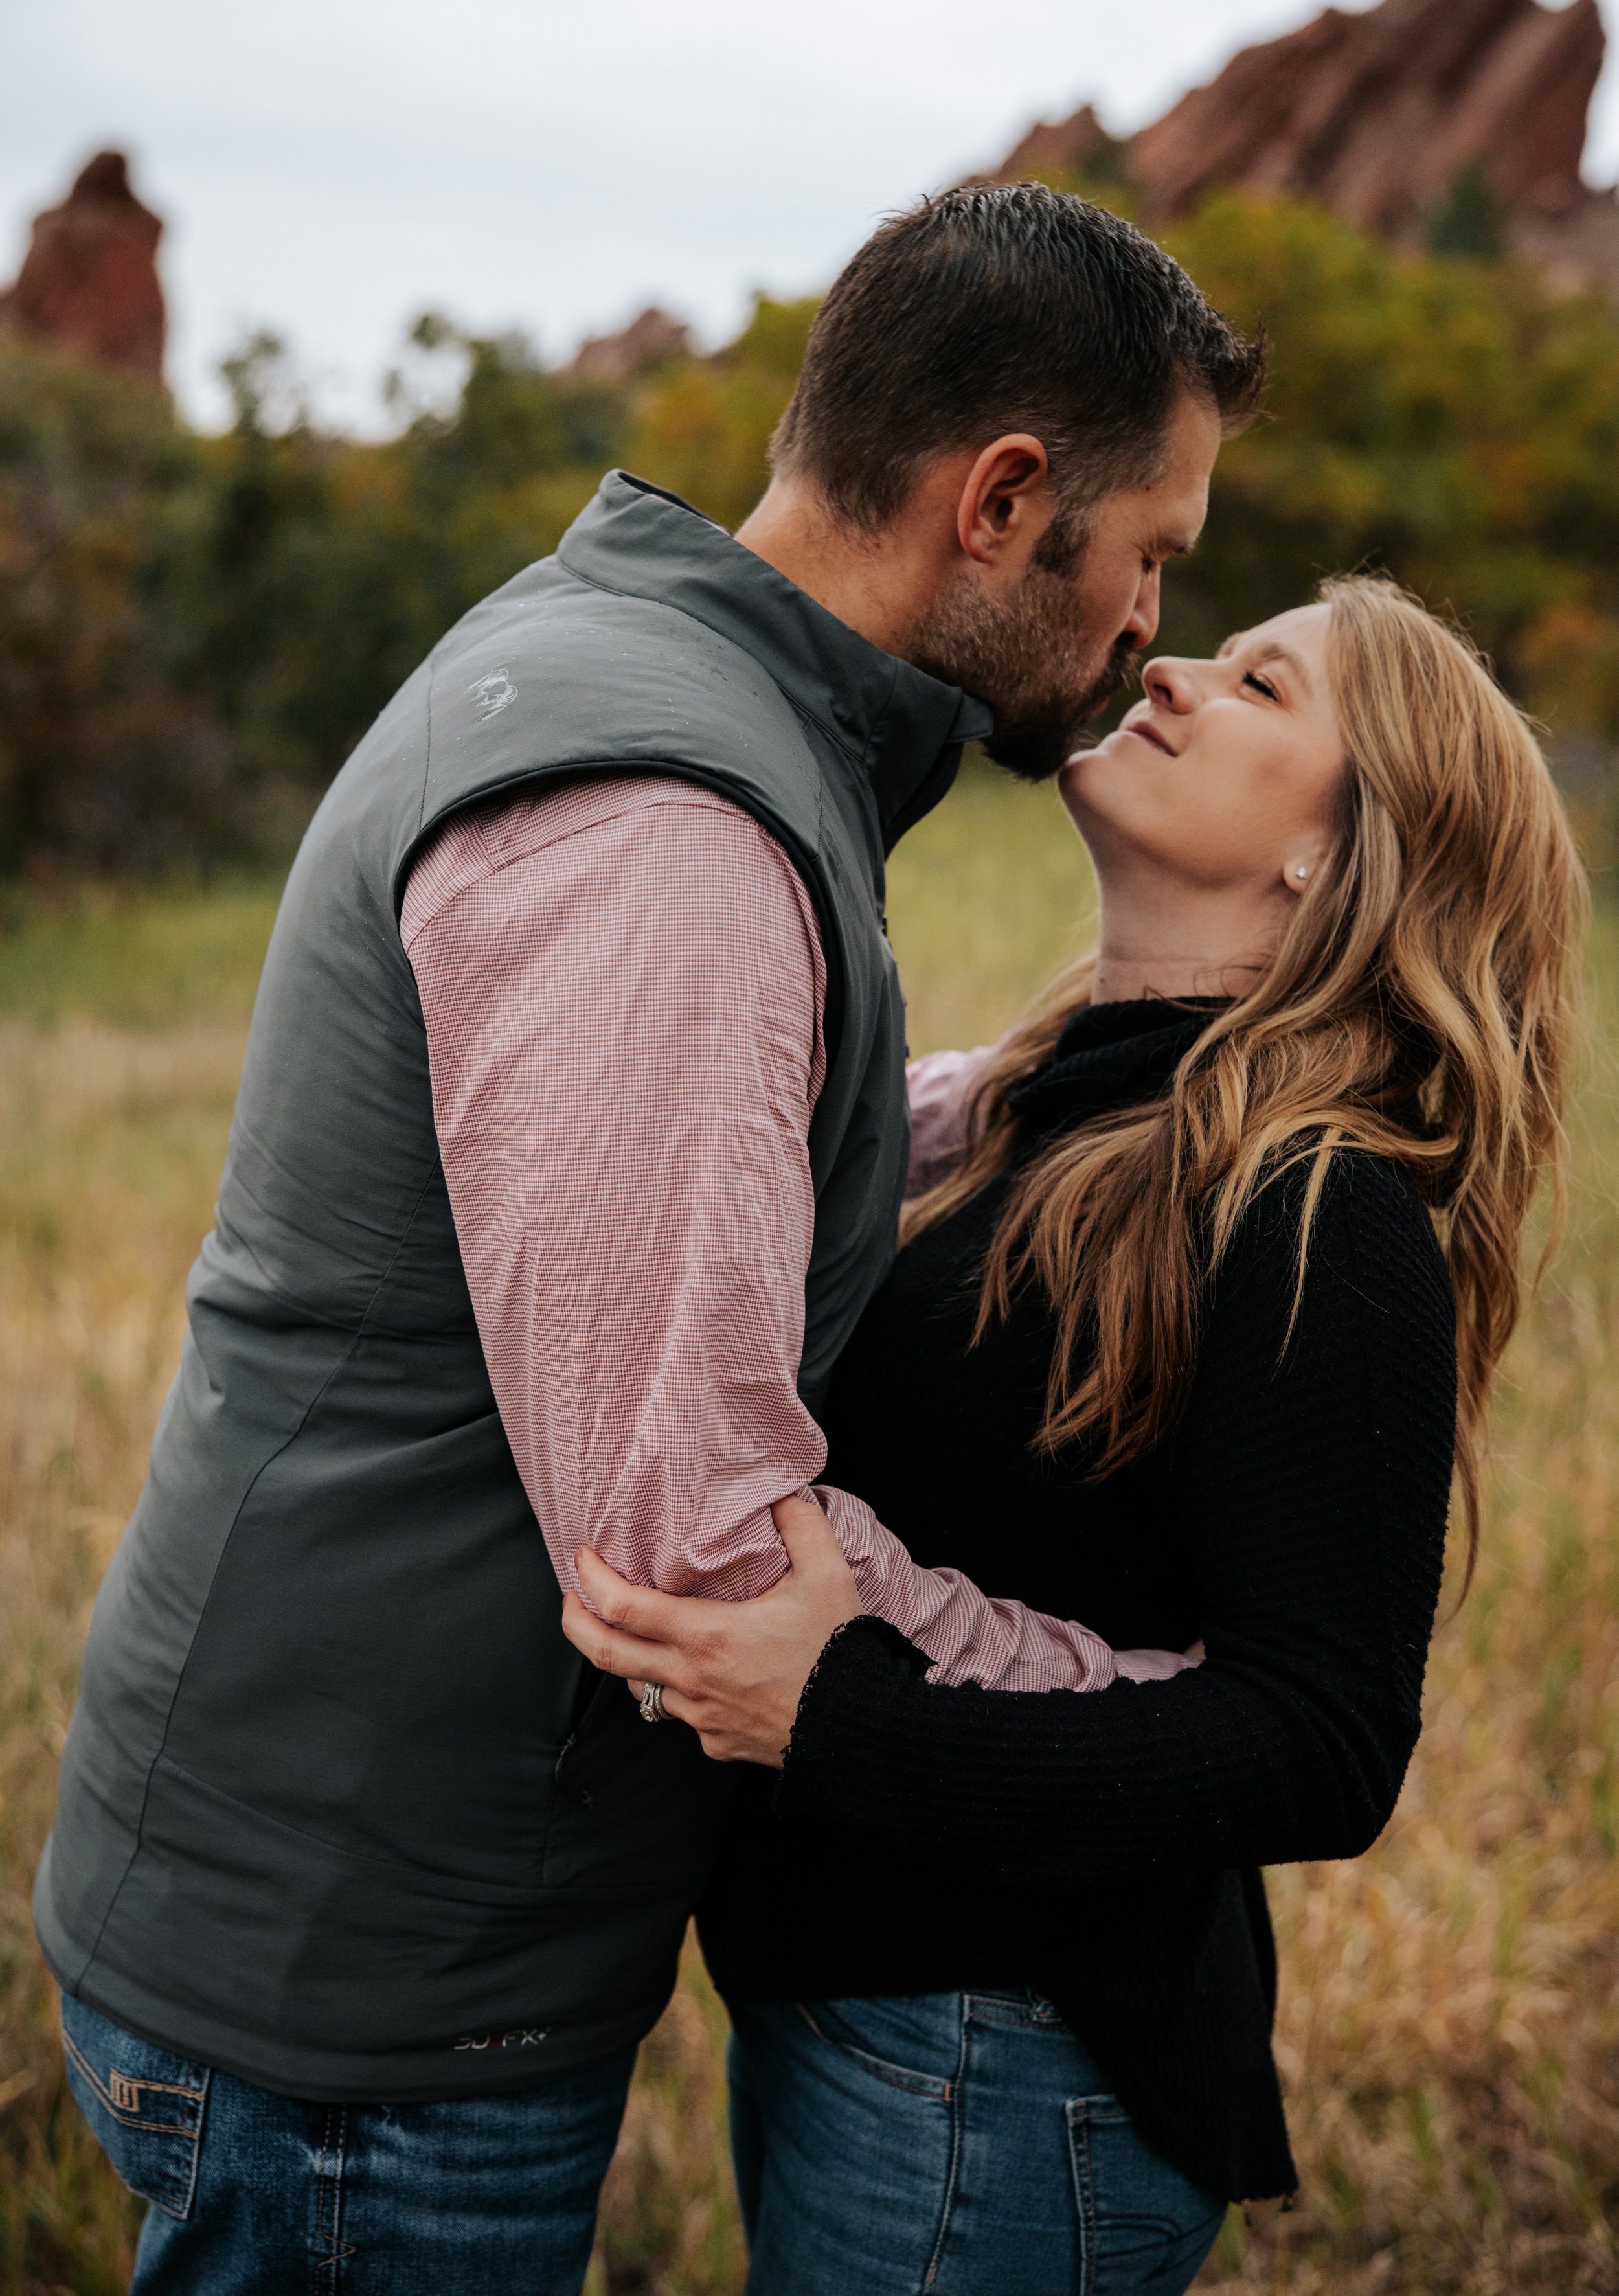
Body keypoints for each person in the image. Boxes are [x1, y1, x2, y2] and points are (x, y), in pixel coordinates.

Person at [36, 185, 1265, 2291]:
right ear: (998, 501)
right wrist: (1123, 1710)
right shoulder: (670, 821)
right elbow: (692, 1548)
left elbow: (724, 1162)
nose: (1146, 631)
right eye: (1147, 557)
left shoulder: (660, 679)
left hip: (375, 1912)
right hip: (373, 1996)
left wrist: (1101, 1084)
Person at [564, 575, 1586, 2295]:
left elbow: (1319, 1743)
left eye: (1260, 684)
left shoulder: (1314, 1205)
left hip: (1003, 2068)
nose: (1170, 669)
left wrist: (841, 1713)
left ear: (1330, 862)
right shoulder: (1051, 1108)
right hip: (876, 2018)